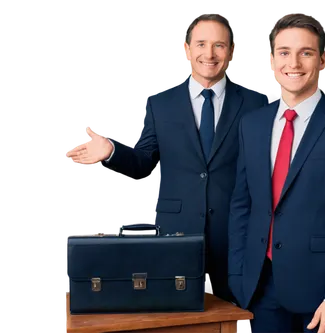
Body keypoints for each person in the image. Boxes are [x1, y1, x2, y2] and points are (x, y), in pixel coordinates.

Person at [65, 12, 271, 304]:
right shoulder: (160, 104)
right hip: (177, 234)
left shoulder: (258, 103)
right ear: (185, 49)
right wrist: (112, 152)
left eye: (219, 45)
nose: (209, 54)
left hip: (238, 236)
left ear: (233, 52)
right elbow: (143, 162)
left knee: (242, 315)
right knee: (176, 315)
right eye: (200, 44)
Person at [228, 11, 325, 333]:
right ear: (271, 61)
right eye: (284, 52)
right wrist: (238, 278)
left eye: (305, 52)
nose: (293, 63)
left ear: (323, 60)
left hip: (320, 295)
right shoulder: (251, 126)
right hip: (258, 288)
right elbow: (242, 205)